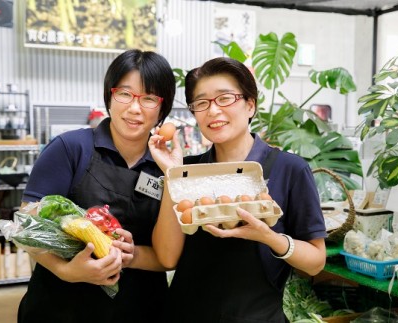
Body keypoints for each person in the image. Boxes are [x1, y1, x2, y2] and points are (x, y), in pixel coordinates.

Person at [149, 57, 327, 322]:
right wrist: (173, 175)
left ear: (250, 105)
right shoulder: (188, 169)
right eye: (201, 103)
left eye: (225, 98)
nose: (213, 111)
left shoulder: (289, 169)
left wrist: (268, 237)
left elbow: (315, 260)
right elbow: (166, 257)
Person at [17, 49, 176, 323]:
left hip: (141, 308)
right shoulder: (71, 148)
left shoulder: (167, 167)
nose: (134, 108)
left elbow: (168, 258)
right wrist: (68, 271)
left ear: (163, 108)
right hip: (61, 306)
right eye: (125, 94)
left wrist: (132, 254)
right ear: (110, 96)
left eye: (149, 98)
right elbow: (26, 226)